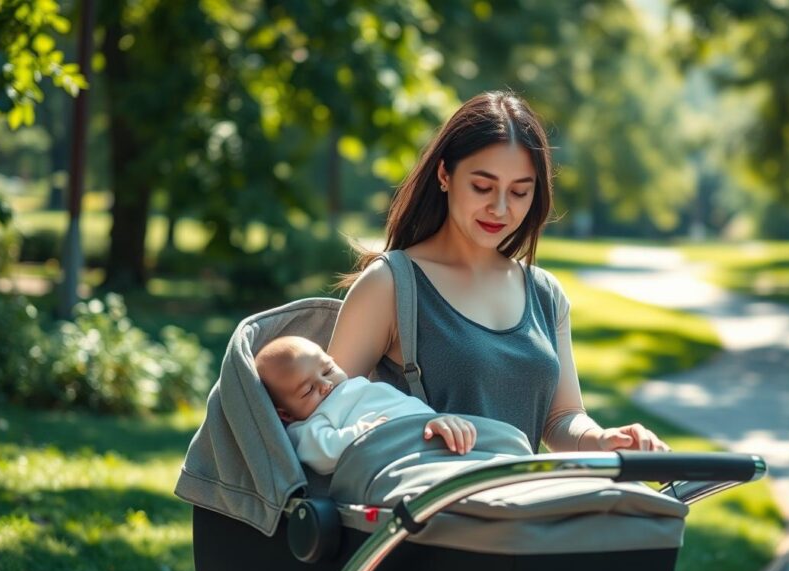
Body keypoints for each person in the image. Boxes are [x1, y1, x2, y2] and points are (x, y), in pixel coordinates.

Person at [328, 90, 670, 455]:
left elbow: (561, 417)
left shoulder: (544, 293)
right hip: (427, 506)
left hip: (522, 506)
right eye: (482, 186)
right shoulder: (390, 285)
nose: (500, 208)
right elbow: (326, 415)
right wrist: (412, 424)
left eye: (520, 192)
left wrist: (603, 439)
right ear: (444, 173)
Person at [255, 335, 477, 475]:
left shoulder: (357, 387)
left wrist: (435, 420)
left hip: (429, 430)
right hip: (397, 454)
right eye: (308, 390)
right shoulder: (308, 425)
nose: (325, 385)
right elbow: (325, 453)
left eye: (328, 370)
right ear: (286, 414)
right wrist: (363, 433)